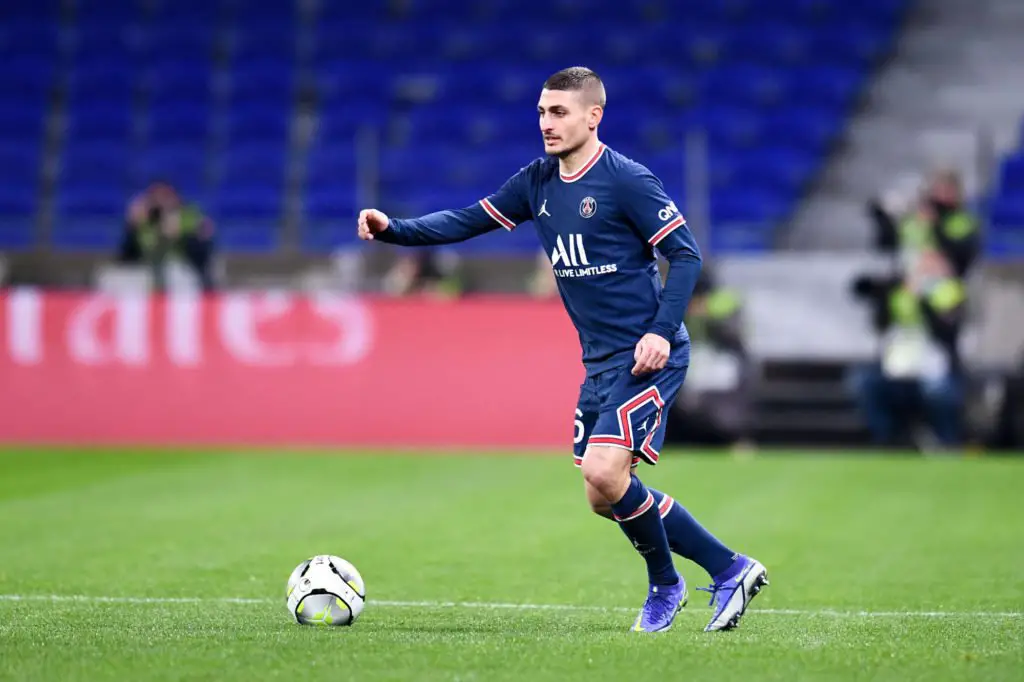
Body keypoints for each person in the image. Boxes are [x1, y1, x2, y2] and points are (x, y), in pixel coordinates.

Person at [356, 67, 767, 633]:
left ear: (593, 116)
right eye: (542, 113)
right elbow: (467, 220)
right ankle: (701, 575)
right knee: (602, 494)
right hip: (599, 362)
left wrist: (660, 330)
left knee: (603, 469)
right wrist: (393, 230)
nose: (546, 124)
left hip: (648, 353)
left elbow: (686, 255)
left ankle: (700, 577)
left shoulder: (627, 180)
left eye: (559, 112)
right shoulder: (537, 182)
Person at [119, 182, 216, 291]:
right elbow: (131, 255)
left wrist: (181, 235)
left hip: (183, 267)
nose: (161, 202)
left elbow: (204, 246)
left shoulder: (187, 215)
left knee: (177, 274)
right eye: (156, 198)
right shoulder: (144, 221)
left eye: (165, 196)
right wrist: (132, 227)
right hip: (147, 269)